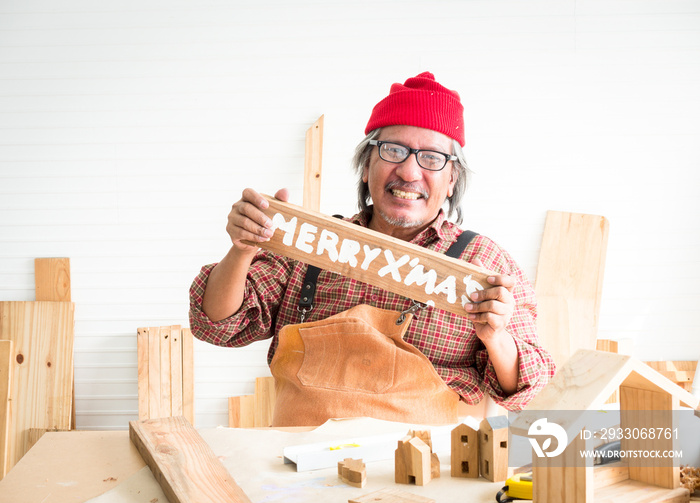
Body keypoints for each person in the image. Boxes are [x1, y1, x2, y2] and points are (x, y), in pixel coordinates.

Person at [189, 72, 555, 426]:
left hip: (422, 468)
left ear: (451, 180)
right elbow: (217, 326)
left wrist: (496, 337)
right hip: (297, 467)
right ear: (367, 166)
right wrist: (242, 249)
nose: (410, 172)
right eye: (393, 150)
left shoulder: (485, 264)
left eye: (431, 158)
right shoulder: (310, 244)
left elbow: (526, 391)